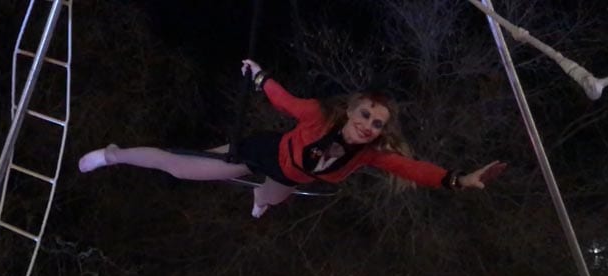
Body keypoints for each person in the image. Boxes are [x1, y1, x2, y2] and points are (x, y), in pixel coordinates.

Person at [79, 59, 506, 218]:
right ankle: (114, 155)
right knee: (182, 167)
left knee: (271, 197)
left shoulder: (370, 154)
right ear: (351, 110)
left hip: (290, 178)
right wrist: (258, 76)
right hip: (262, 152)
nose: (368, 126)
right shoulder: (319, 115)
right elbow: (284, 100)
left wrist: (460, 180)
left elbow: (413, 169)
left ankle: (260, 199)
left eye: (377, 124)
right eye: (365, 116)